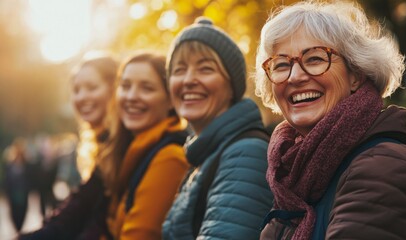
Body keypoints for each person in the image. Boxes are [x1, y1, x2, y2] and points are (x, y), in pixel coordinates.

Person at [254, 1, 406, 239]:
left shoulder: (382, 167)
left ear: (356, 75)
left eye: (315, 59)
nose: (294, 77)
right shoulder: (294, 176)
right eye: (282, 64)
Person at [163, 17, 273, 239]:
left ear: (232, 86)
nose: (188, 80)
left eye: (205, 69)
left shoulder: (246, 153)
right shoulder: (206, 154)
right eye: (179, 70)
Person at [19, 52, 118, 239]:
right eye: (76, 90)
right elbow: (70, 216)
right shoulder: (104, 147)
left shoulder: (119, 149)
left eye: (92, 87)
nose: (81, 97)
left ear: (116, 89)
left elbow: (87, 220)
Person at [104, 52, 190, 239]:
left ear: (170, 100)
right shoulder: (135, 150)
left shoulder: (170, 158)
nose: (132, 96)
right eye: (125, 86)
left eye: (147, 88)